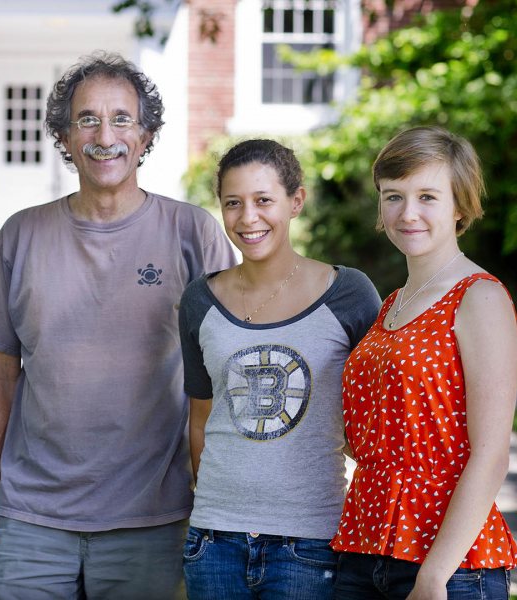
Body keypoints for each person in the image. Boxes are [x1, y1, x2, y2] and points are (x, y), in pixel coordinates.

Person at [0, 51, 235, 599]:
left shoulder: (193, 233)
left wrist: (215, 501)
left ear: (146, 135)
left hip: (153, 517)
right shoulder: (20, 235)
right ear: (64, 137)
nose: (104, 134)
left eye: (122, 119)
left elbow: (225, 373)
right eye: (87, 119)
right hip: (31, 517)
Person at [177, 139, 381, 599]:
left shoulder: (349, 293)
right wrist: (209, 509)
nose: (248, 218)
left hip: (309, 542)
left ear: (296, 201)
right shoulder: (198, 301)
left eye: (263, 200)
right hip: (214, 542)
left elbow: (371, 418)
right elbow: (201, 416)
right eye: (233, 203)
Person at [330, 126, 517, 599]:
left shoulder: (479, 297)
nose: (407, 213)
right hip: (364, 548)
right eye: (393, 196)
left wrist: (434, 576)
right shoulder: (393, 301)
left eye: (428, 197)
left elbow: (492, 454)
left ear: (459, 206)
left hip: (447, 564)